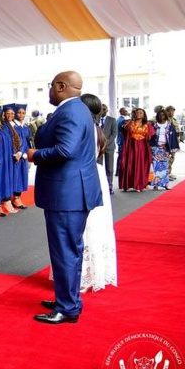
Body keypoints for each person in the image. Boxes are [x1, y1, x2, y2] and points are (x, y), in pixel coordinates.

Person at [27, 71, 102, 324]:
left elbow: (65, 150)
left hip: (67, 194)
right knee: (70, 250)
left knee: (65, 252)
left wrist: (35, 155)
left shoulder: (70, 111)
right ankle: (68, 299)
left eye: (51, 86)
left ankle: (67, 307)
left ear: (61, 86)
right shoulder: (79, 109)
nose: (49, 91)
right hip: (72, 192)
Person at [70, 94, 117, 292]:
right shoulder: (95, 127)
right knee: (95, 223)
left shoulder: (82, 127)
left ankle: (81, 276)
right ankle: (94, 271)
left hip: (84, 174)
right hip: (95, 173)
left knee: (84, 224)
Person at [118, 107, 154, 192]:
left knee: (141, 165)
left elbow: (151, 135)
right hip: (131, 146)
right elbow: (125, 129)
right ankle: (128, 184)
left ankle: (139, 184)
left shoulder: (147, 124)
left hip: (142, 147)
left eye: (141, 113)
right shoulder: (129, 122)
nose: (138, 114)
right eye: (137, 113)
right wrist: (131, 120)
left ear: (144, 115)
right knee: (129, 164)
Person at [150, 109, 179, 190]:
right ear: (157, 116)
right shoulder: (154, 126)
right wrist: (153, 147)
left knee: (165, 166)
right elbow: (150, 138)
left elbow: (173, 137)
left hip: (165, 148)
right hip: (156, 148)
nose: (161, 116)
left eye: (163, 114)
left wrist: (170, 147)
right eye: (159, 114)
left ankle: (165, 184)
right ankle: (156, 184)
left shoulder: (170, 125)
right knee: (156, 166)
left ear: (165, 115)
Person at [12, 104, 31, 208]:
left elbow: (28, 140)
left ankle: (18, 197)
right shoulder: (13, 126)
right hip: (17, 155)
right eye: (19, 112)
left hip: (24, 156)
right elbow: (14, 141)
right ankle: (15, 198)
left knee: (23, 175)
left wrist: (27, 152)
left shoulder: (25, 126)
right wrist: (20, 152)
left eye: (23, 113)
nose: (21, 115)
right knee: (17, 176)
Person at [98, 104, 117, 194]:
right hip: (98, 147)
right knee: (99, 167)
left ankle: (109, 186)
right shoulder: (95, 120)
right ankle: (100, 186)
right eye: (101, 109)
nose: (102, 111)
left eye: (104, 109)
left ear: (107, 110)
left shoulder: (112, 120)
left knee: (109, 168)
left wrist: (105, 143)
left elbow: (114, 134)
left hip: (109, 147)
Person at [163, 105, 182, 181]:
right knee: (166, 158)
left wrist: (179, 139)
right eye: (169, 111)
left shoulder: (174, 120)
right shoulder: (164, 120)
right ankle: (166, 173)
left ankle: (169, 172)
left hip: (174, 142)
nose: (171, 113)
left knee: (172, 157)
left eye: (172, 111)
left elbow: (177, 131)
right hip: (167, 143)